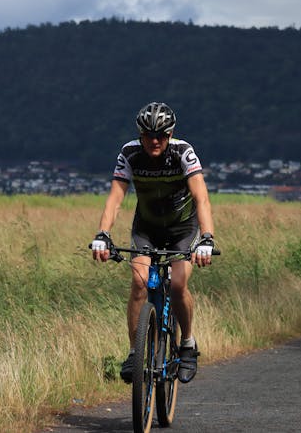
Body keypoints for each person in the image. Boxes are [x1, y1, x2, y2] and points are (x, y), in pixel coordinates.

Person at [91, 101, 215, 384]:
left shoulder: (183, 152)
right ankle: (136, 353)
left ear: (170, 134)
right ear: (140, 135)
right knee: (139, 282)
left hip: (182, 228)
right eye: (148, 135)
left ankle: (187, 344)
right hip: (146, 227)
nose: (155, 141)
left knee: (178, 283)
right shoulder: (130, 154)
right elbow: (115, 198)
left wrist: (207, 238)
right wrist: (102, 234)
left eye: (161, 135)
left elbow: (201, 197)